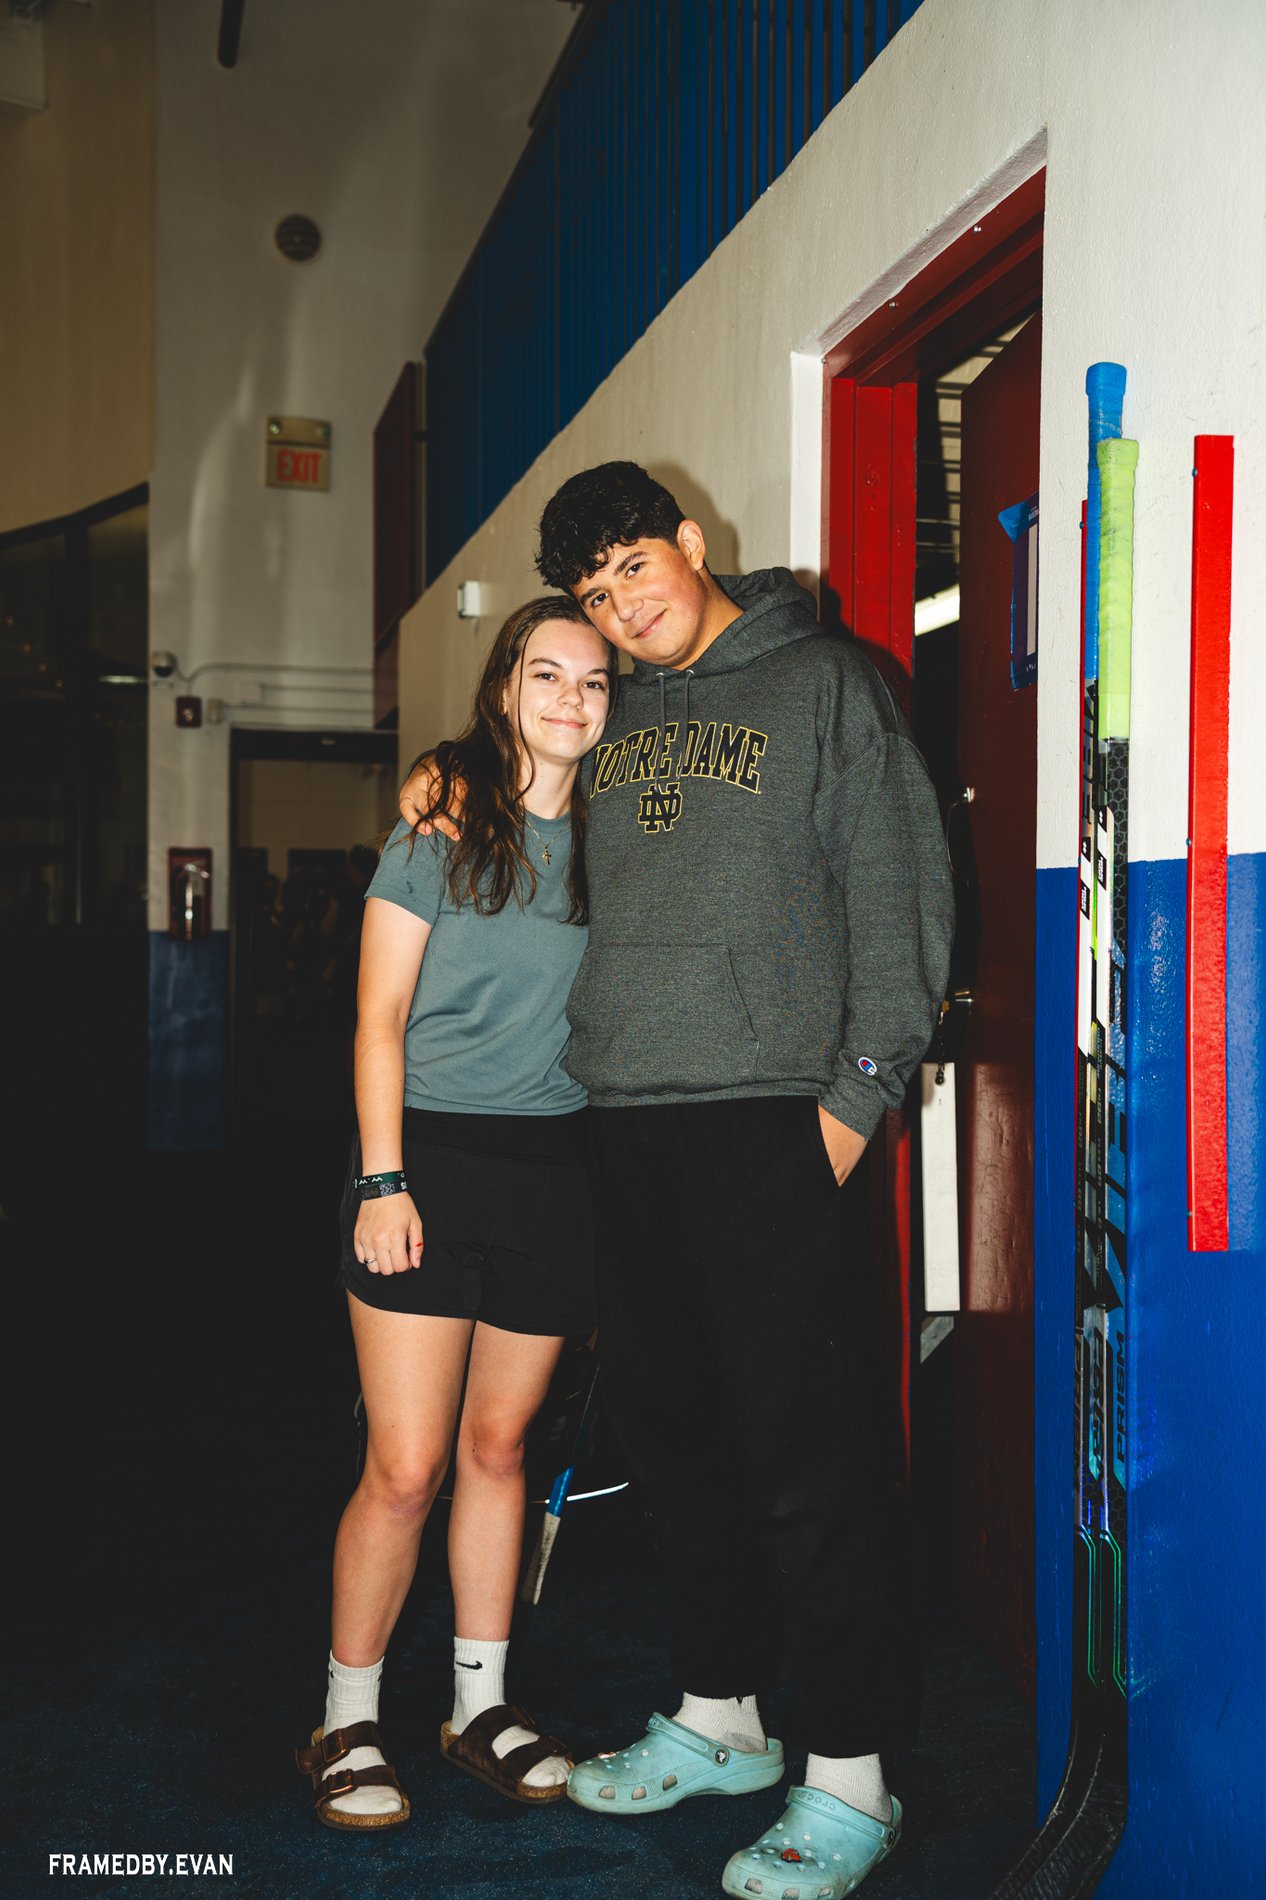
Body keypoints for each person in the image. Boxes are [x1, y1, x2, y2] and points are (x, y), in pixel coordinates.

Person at [401, 463, 954, 1897]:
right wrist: (447, 772)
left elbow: (901, 906)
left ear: (691, 544)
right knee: (681, 1455)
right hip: (623, 1129)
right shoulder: (619, 710)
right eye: (594, 594)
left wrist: (852, 1108)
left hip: (775, 1127)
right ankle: (722, 1717)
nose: (620, 608)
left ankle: (851, 1775)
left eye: (633, 569)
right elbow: (521, 769)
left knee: (808, 1468)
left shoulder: (828, 684)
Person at [296, 595, 615, 1830]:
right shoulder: (441, 822)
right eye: (548, 675)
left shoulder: (615, 837)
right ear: (505, 686)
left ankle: (479, 1703)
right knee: (407, 1464)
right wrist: (383, 1181)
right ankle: (347, 1715)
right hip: (425, 1163)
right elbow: (376, 1018)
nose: (572, 699)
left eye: (594, 681)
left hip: (554, 1175)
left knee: (499, 1450)